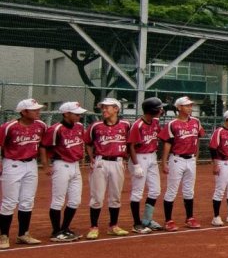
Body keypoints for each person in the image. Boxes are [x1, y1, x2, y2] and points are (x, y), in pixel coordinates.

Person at [0, 98, 48, 249]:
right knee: (9, 202)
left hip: (31, 164)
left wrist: (45, 163)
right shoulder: (9, 127)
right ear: (23, 112)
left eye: (38, 109)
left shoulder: (41, 125)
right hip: (12, 164)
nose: (38, 111)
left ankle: (23, 234)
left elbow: (43, 145)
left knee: (27, 201)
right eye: (34, 110)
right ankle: (3, 236)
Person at [85, 97, 131, 239]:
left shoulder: (125, 125)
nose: (104, 110)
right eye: (103, 107)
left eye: (107, 107)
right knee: (97, 197)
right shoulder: (96, 126)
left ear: (116, 109)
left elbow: (130, 143)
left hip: (118, 162)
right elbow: (88, 142)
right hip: (101, 162)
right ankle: (94, 227)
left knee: (115, 196)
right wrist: (92, 158)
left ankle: (114, 226)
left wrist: (126, 158)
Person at [43, 101, 88, 243]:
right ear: (66, 114)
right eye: (76, 114)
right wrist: (46, 165)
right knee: (58, 200)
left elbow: (81, 143)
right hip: (61, 165)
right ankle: (56, 232)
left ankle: (65, 228)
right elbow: (44, 147)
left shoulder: (79, 126)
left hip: (75, 166)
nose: (79, 116)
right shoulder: (56, 129)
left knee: (75, 200)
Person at [160, 96, 205, 231]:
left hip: (190, 159)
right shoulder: (172, 124)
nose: (190, 108)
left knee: (189, 190)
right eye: (187, 106)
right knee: (171, 190)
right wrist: (164, 162)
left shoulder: (196, 122)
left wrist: (196, 156)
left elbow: (198, 139)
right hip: (176, 159)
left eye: (191, 106)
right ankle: (168, 220)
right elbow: (167, 143)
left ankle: (190, 218)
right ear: (179, 107)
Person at [128, 97, 164, 233]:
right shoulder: (138, 125)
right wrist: (136, 165)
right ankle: (137, 224)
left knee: (155, 190)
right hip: (139, 157)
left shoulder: (155, 122)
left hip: (152, 157)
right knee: (137, 192)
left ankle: (147, 220)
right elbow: (131, 146)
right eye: (159, 108)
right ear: (152, 110)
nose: (161, 110)